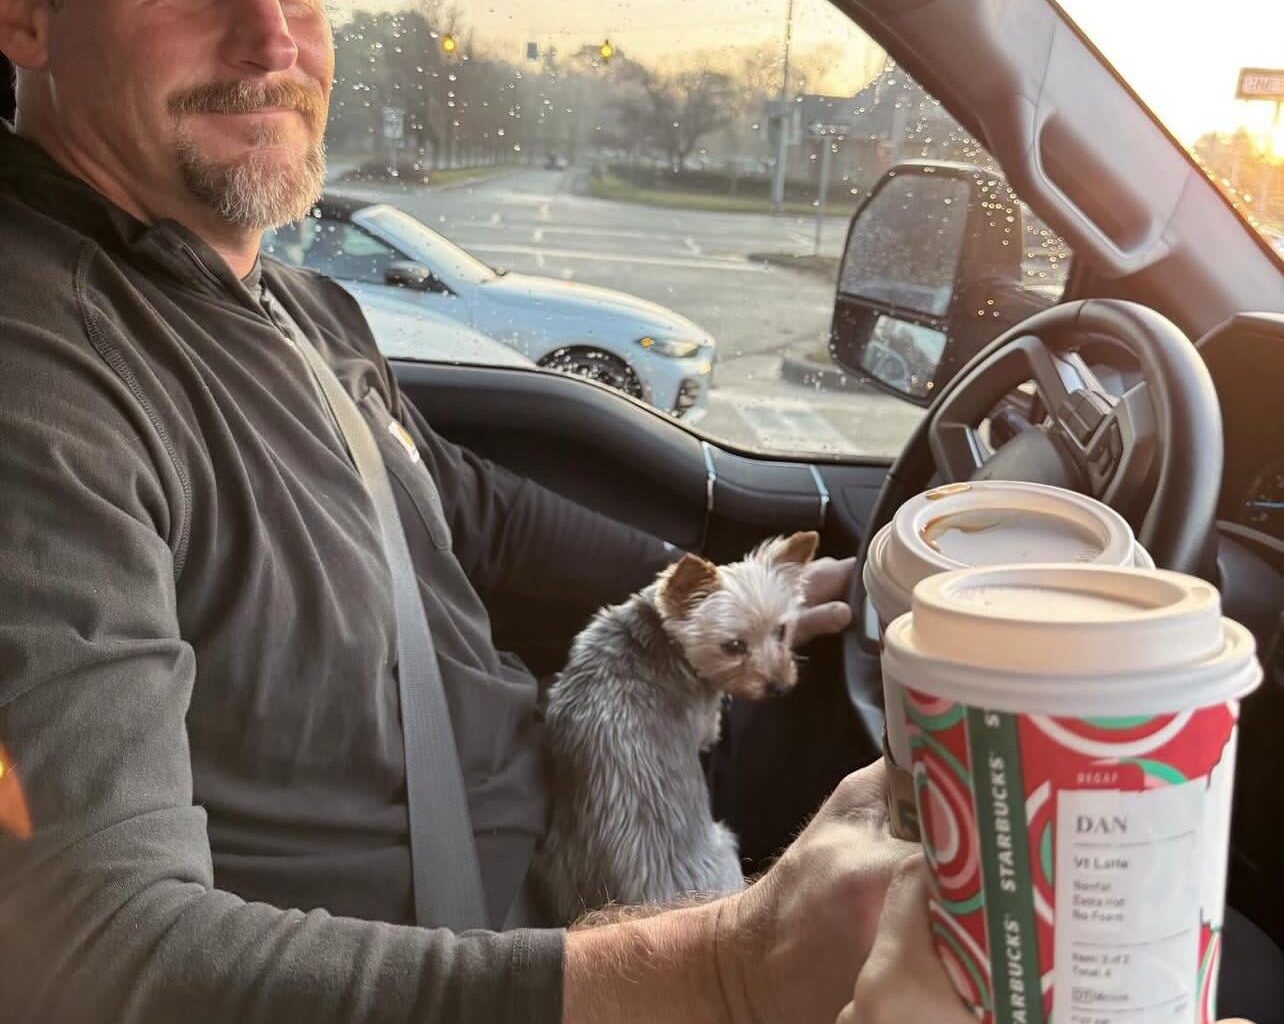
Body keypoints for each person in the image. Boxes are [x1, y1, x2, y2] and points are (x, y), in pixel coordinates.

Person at [0, 2, 919, 1022]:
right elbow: (96, 955)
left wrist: (717, 591)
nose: (271, 39)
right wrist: (726, 970)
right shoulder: (42, 382)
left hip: (568, 844)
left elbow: (469, 510)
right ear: (28, 21)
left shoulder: (296, 306)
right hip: (488, 950)